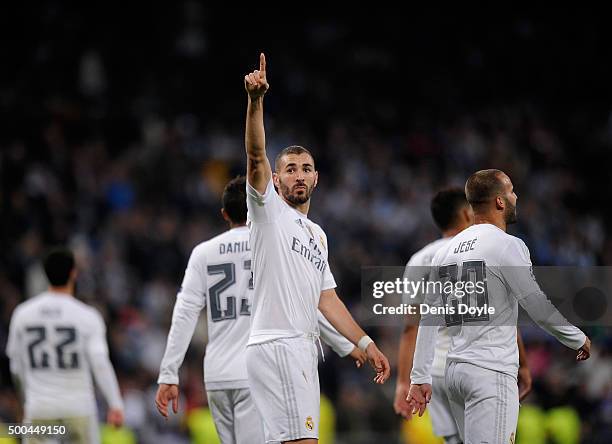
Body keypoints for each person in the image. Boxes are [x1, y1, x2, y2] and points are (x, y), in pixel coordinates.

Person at [243, 53, 391, 443]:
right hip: (280, 345)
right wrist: (255, 102)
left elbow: (327, 301)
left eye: (306, 168)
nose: (299, 175)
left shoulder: (317, 234)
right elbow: (256, 155)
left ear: (317, 178)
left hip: (299, 348)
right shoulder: (267, 211)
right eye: (290, 169)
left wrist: (363, 341)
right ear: (276, 180)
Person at [155, 176, 366, 443]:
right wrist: (347, 345)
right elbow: (307, 304)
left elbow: (184, 313)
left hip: (217, 375)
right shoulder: (272, 244)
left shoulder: (203, 252)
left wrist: (169, 373)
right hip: (255, 369)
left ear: (224, 214)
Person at [407, 169, 591, 443]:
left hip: (455, 372)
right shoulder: (508, 245)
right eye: (512, 191)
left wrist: (419, 376)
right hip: (490, 371)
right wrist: (577, 337)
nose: (516, 196)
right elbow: (537, 306)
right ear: (500, 201)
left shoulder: (446, 250)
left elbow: (429, 318)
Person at [394, 188, 532, 444]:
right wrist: (522, 364)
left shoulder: (418, 260)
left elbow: (410, 328)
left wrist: (405, 380)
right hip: (479, 365)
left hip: (435, 373)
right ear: (467, 214)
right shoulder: (485, 249)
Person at [6, 247, 124, 444]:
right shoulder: (87, 316)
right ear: (73, 273)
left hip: (39, 407)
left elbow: (16, 367)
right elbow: (100, 363)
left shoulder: (23, 314)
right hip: (78, 408)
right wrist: (115, 403)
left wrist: (26, 399)